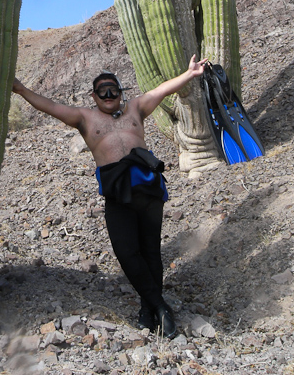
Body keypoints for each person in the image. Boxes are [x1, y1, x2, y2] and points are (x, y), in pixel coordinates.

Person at [12, 55, 208, 338]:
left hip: (148, 189)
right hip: (118, 195)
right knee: (126, 252)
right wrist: (21, 89)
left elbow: (162, 89)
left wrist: (189, 74)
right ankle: (160, 306)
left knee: (151, 251)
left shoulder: (136, 109)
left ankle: (148, 310)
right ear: (93, 96)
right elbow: (50, 106)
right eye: (102, 90)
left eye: (112, 89)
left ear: (120, 92)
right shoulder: (84, 118)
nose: (108, 95)